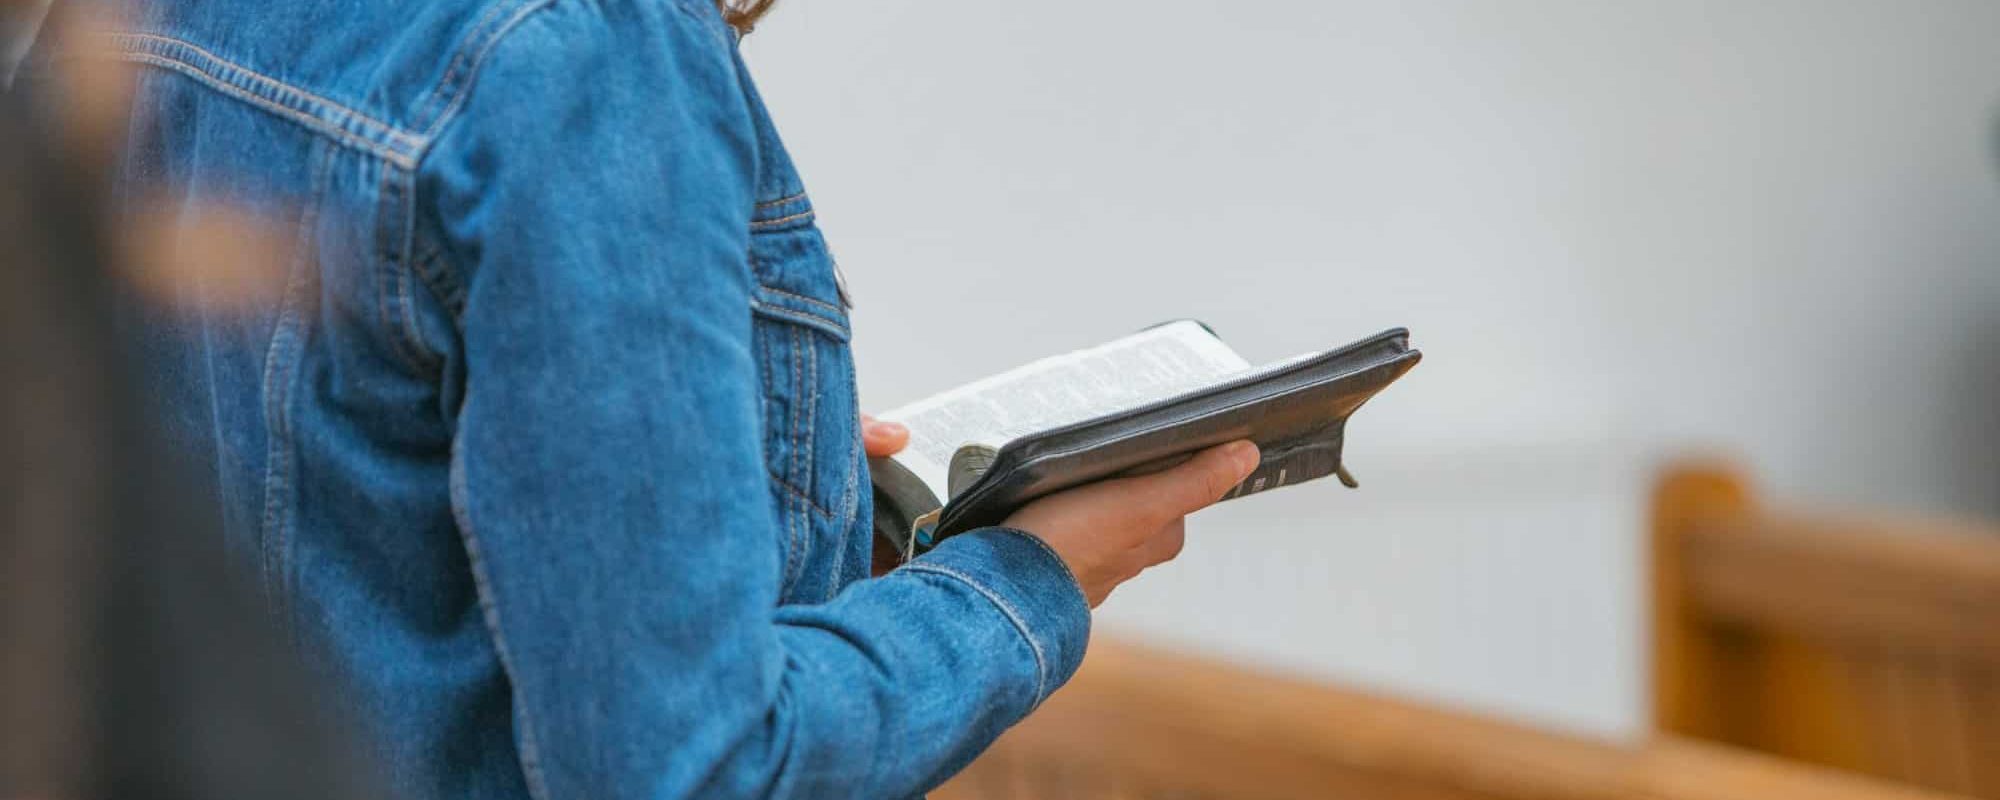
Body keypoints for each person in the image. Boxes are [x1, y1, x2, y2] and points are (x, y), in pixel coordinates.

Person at [23, 0, 1260, 797]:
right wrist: (1026, 580)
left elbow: (321, 505)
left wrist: (769, 482)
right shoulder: (585, 44)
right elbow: (692, 772)